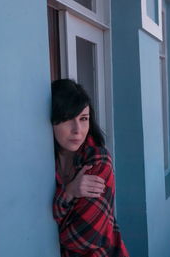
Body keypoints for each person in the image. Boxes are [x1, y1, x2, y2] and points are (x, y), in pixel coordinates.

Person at [51, 79, 129, 257]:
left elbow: (86, 238)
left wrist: (59, 204)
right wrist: (69, 193)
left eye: (83, 119)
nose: (77, 129)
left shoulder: (98, 161)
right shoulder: (45, 162)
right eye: (67, 119)